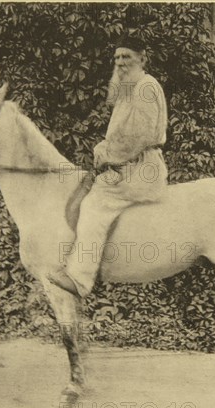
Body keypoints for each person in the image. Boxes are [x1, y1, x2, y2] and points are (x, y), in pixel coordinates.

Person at [49, 33, 168, 297]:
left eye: (127, 56)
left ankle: (79, 279)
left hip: (142, 168)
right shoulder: (128, 91)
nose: (121, 63)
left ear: (142, 58)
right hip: (129, 165)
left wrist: (109, 156)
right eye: (117, 58)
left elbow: (141, 136)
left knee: (95, 203)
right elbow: (120, 135)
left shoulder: (145, 87)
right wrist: (102, 149)